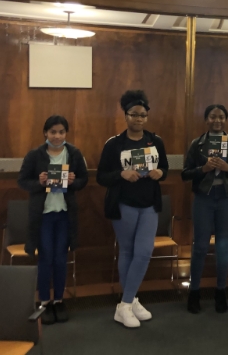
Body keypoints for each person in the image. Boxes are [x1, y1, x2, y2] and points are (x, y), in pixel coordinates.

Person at [97, 90, 169, 328]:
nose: (139, 119)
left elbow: (164, 169)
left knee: (144, 251)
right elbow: (101, 177)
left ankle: (125, 304)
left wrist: (160, 173)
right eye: (134, 115)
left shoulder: (155, 141)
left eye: (143, 115)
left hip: (149, 204)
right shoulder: (114, 144)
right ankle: (132, 299)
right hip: (124, 205)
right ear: (125, 115)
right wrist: (121, 174)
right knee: (127, 252)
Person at [18, 115, 88, 325]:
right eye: (53, 132)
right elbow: (22, 181)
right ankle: (44, 301)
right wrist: (38, 182)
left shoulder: (74, 153)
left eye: (61, 132)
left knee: (60, 259)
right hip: (44, 216)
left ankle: (59, 300)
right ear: (45, 133)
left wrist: (75, 182)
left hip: (65, 214)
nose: (57, 136)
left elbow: (84, 180)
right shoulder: (34, 155)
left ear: (66, 134)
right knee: (46, 258)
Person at [182, 104, 228, 314]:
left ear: (225, 119)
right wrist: (205, 169)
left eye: (221, 117)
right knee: (200, 246)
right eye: (213, 117)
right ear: (206, 119)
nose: (217, 120)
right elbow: (185, 174)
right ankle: (194, 292)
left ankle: (221, 291)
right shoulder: (197, 144)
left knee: (222, 247)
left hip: (226, 199)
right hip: (204, 199)